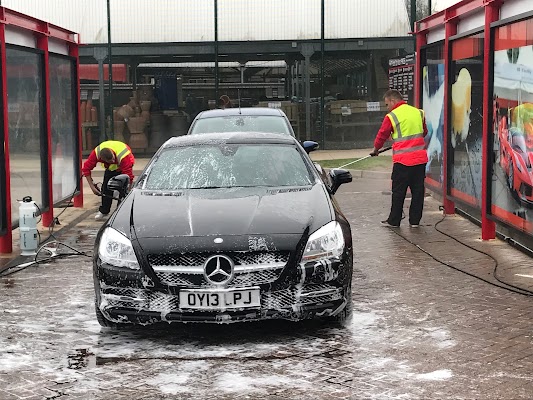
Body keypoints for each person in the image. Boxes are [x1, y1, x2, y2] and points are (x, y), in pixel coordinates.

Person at [370, 89, 428, 228]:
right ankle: (415, 221)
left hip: (402, 161)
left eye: (386, 104)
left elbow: (382, 135)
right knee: (418, 191)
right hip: (420, 160)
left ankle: (394, 220)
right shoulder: (418, 112)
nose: (387, 107)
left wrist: (376, 150)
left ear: (393, 101)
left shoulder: (392, 116)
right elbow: (424, 132)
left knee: (398, 191)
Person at [82, 140, 135, 220]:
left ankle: (120, 211)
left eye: (113, 159)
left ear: (113, 154)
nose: (113, 161)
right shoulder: (96, 154)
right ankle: (104, 211)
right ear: (102, 159)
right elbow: (86, 169)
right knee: (106, 189)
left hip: (124, 166)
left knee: (123, 191)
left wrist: (128, 190)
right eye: (110, 161)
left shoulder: (123, 156)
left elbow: (129, 176)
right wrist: (92, 187)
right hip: (110, 169)